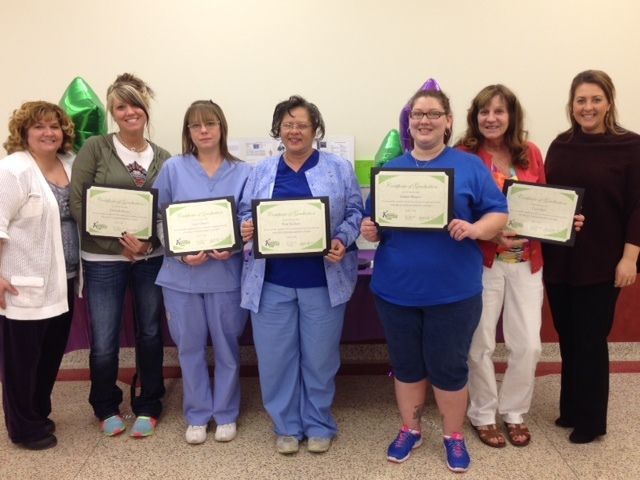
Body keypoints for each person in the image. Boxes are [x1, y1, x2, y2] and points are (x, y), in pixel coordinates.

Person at [360, 89, 508, 472]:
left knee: (449, 367)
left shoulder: (470, 166)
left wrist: (475, 228)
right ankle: (410, 429)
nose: (424, 120)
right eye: (417, 114)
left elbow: (499, 215)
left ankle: (452, 435)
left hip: (453, 292)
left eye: (433, 114)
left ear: (448, 121)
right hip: (396, 289)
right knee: (407, 366)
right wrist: (370, 229)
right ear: (408, 122)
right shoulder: (390, 170)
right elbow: (373, 220)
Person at [239, 95, 363, 455]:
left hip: (323, 282)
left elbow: (355, 211)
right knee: (276, 359)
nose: (294, 131)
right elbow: (242, 215)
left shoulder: (338, 168)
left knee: (320, 358)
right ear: (278, 129)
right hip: (271, 283)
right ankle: (286, 426)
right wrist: (246, 227)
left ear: (316, 130)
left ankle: (319, 422)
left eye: (302, 125)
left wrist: (341, 238)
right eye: (288, 124)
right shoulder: (260, 171)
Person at [70, 73, 170, 438]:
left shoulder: (163, 157)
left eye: (135, 104)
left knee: (150, 332)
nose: (129, 112)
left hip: (149, 260)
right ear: (112, 112)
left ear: (146, 107)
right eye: (120, 106)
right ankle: (105, 404)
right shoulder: (95, 148)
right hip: (102, 261)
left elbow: (167, 211)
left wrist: (145, 247)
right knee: (105, 338)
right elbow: (78, 203)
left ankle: (149, 402)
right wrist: (120, 246)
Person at [543, 70, 640, 444]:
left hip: (603, 262)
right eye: (581, 100)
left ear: (609, 102)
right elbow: (548, 197)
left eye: (595, 99)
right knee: (568, 336)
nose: (588, 107)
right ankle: (570, 408)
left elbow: (637, 208)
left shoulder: (631, 146)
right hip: (559, 259)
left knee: (591, 339)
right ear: (572, 105)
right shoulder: (561, 144)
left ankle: (591, 420)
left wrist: (629, 258)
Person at [153, 100, 251, 445]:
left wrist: (236, 244)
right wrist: (180, 254)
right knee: (189, 346)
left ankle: (225, 413)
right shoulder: (172, 169)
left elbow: (246, 221)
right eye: (196, 126)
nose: (204, 131)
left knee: (226, 345)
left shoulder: (243, 172)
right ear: (188, 133)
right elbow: (159, 217)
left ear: (222, 127)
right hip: (182, 277)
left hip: (226, 273)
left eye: (210, 123)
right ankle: (196, 414)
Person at [455, 85, 546, 448]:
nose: (491, 119)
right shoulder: (463, 155)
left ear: (512, 116)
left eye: (499, 111)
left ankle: (514, 411)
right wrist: (491, 235)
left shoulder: (531, 153)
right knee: (480, 342)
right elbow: (458, 211)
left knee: (529, 344)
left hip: (527, 260)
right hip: (483, 261)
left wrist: (566, 219)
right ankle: (482, 413)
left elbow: (545, 202)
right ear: (475, 117)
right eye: (484, 112)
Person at [0, 101, 77, 450]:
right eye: (39, 127)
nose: (49, 133)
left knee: (49, 355)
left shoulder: (71, 165)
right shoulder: (14, 170)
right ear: (24, 133)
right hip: (22, 284)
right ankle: (23, 427)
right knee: (22, 362)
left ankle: (38, 413)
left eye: (54, 126)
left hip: (65, 280)